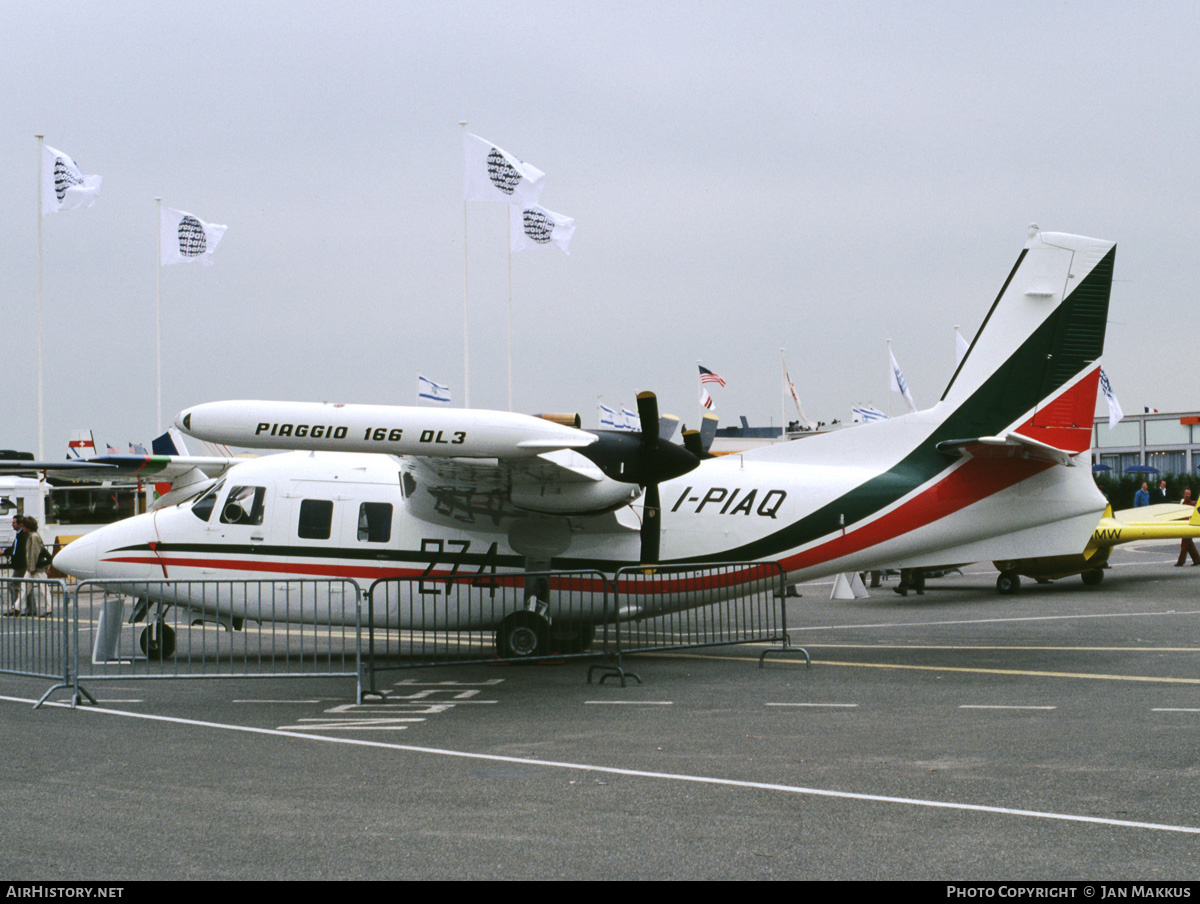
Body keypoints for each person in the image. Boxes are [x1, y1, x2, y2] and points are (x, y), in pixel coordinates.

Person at [18, 516, 50, 617]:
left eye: (23, 526)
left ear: (28, 527)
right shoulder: (32, 536)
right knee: (25, 587)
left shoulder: (34, 537)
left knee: (43, 589)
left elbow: (34, 554)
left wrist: (31, 568)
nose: (22, 528)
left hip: (36, 569)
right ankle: (16, 607)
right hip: (33, 568)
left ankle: (49, 608)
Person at [5, 515, 25, 616]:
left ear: (20, 524)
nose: (12, 524)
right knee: (27, 586)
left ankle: (15, 607)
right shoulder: (19, 535)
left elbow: (19, 551)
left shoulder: (22, 535)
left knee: (12, 584)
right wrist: (4, 551)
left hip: (21, 565)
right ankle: (31, 608)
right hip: (21, 564)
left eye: (14, 522)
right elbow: (14, 548)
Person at [1178, 490, 1200, 567]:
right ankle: (1197, 559)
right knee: (1189, 544)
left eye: (1189, 494)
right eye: (1186, 494)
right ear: (1183, 494)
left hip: (1189, 525)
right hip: (1184, 525)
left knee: (1185, 543)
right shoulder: (1182, 504)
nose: (1187, 495)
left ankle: (1180, 561)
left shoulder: (1193, 504)